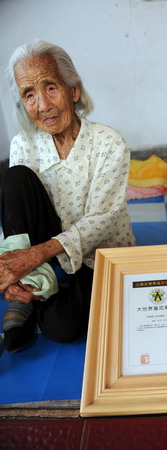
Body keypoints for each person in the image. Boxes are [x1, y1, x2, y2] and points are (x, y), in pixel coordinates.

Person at [0, 40, 135, 353]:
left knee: (63, 329)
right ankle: (29, 286)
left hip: (97, 254)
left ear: (73, 90)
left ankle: (36, 290)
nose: (43, 105)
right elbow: (17, 213)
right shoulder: (23, 144)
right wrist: (18, 264)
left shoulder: (109, 142)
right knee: (15, 178)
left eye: (50, 87)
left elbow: (102, 220)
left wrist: (35, 255)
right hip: (44, 253)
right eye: (29, 94)